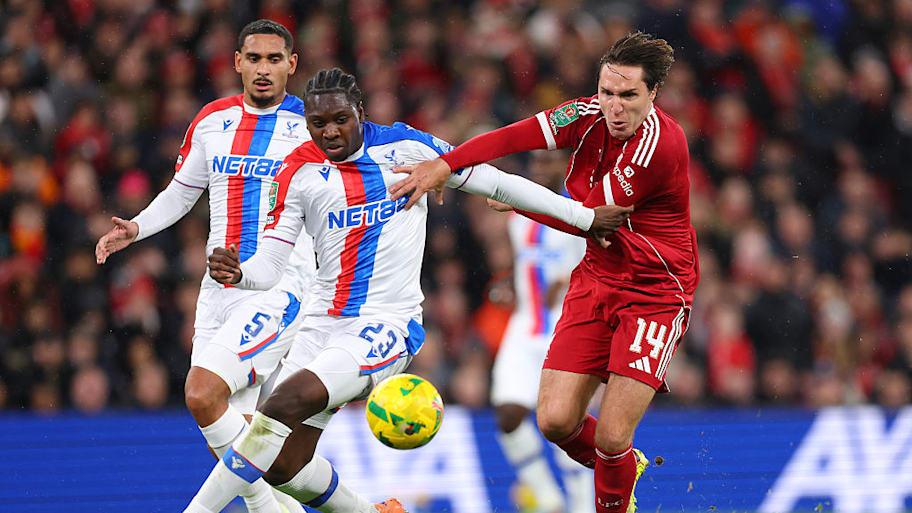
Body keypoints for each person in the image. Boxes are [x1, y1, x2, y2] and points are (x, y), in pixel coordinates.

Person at [186, 67, 623, 513]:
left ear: (360, 110)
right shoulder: (299, 168)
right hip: (320, 324)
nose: (330, 132)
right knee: (282, 465)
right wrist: (241, 275)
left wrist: (583, 218)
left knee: (281, 405)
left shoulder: (408, 148)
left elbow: (493, 180)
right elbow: (272, 262)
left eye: (340, 119)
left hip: (385, 325)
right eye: (319, 124)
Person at [389, 32, 698, 513]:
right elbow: (512, 136)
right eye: (607, 93)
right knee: (554, 421)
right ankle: (620, 467)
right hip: (597, 277)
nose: (614, 108)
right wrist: (444, 164)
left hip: (654, 293)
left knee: (613, 434)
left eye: (628, 96)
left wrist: (515, 199)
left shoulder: (659, 147)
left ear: (653, 94)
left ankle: (613, 487)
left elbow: (591, 217)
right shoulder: (585, 114)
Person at [94, 20, 314, 513]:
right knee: (231, 430)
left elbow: (364, 180)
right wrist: (137, 228)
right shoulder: (212, 120)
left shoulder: (314, 126)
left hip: (280, 286)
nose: (263, 69)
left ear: (292, 65)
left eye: (274, 59)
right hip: (217, 290)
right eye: (253, 58)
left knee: (201, 394)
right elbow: (182, 193)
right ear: (236, 61)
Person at [489, 150, 593, 513]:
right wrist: (511, 286)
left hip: (565, 333)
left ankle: (582, 506)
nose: (541, 169)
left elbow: (600, 265)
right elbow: (527, 264)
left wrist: (568, 279)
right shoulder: (520, 216)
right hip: (524, 327)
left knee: (564, 424)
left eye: (549, 163)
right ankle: (547, 500)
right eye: (536, 163)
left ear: (565, 168)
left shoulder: (580, 214)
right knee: (507, 416)